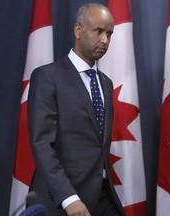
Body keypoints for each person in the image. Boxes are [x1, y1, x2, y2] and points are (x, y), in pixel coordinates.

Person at [27, 3, 125, 216]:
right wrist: (68, 198)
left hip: (102, 199)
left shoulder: (106, 84)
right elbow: (42, 143)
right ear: (78, 30)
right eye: (98, 31)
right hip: (61, 202)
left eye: (109, 34)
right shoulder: (47, 77)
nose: (105, 40)